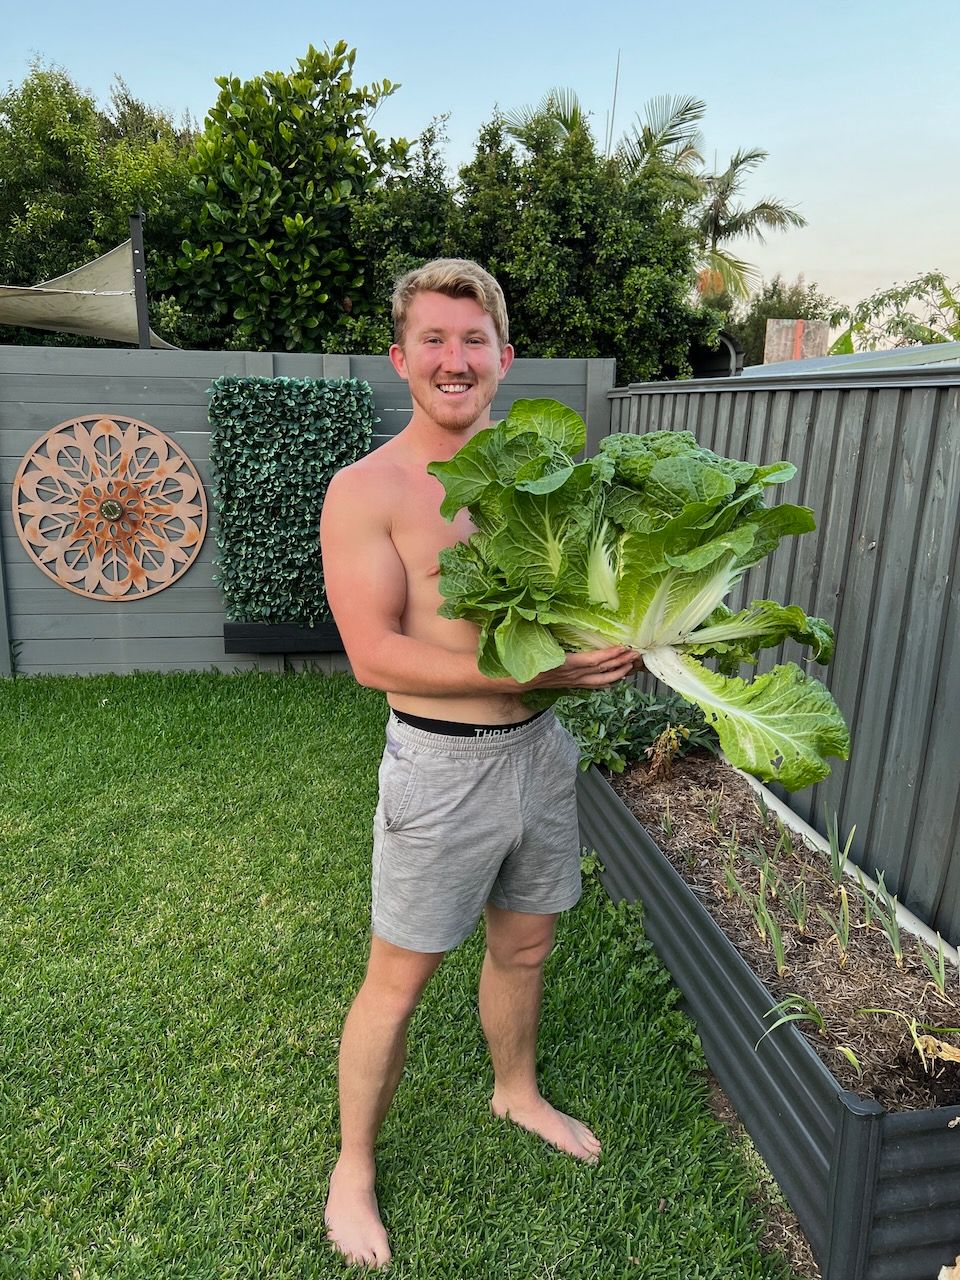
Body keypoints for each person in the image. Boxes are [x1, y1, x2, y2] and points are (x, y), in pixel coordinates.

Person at [319, 258, 639, 1268]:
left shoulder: (548, 484)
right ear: (401, 356)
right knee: (397, 982)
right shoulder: (366, 488)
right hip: (440, 767)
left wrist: (610, 643)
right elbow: (374, 653)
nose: (453, 360)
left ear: (506, 356)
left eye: (473, 340)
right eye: (433, 339)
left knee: (526, 946)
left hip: (540, 754)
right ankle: (354, 1166)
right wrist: (533, 666)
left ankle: (516, 1087)